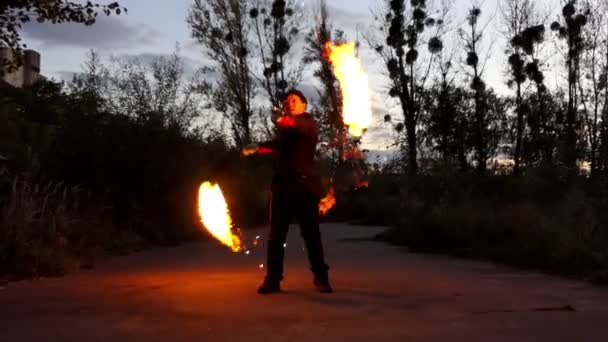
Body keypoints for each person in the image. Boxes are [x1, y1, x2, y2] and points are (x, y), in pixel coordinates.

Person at [242, 89, 332, 294]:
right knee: (275, 237)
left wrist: (282, 119)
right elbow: (277, 146)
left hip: (305, 188)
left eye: (294, 100)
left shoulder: (308, 123)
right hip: (282, 187)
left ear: (304, 105)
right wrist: (257, 147)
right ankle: (272, 280)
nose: (289, 103)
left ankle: (321, 278)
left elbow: (296, 125)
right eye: (286, 101)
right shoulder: (285, 130)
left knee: (311, 235)